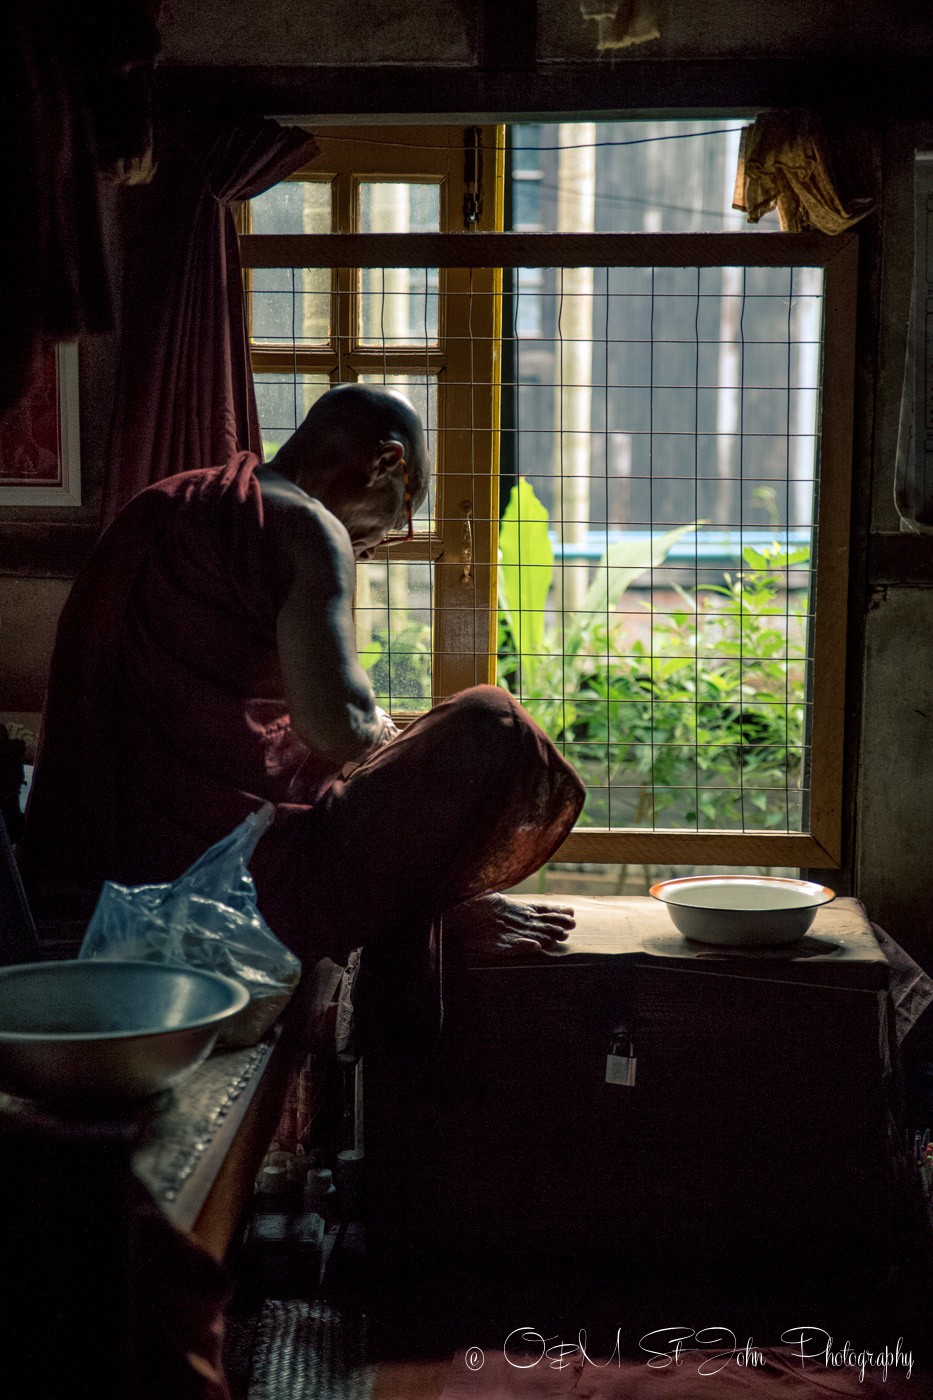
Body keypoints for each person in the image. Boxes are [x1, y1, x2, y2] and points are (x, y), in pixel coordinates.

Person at [19, 385, 585, 1034]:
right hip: (226, 886)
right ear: (386, 463)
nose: (388, 541)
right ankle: (444, 920)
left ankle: (436, 916)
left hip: (90, 877)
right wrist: (391, 738)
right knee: (493, 722)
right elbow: (335, 726)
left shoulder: (167, 501)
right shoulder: (305, 523)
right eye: (403, 514)